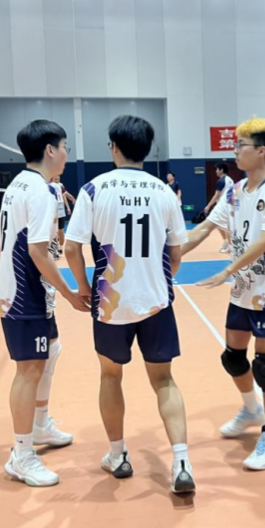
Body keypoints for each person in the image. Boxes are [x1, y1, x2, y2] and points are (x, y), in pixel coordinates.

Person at [64, 115, 195, 495]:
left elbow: (71, 248)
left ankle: (118, 455)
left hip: (110, 302)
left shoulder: (93, 189)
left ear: (114, 147)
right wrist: (159, 280)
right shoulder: (164, 191)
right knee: (164, 380)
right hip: (155, 301)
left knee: (110, 376)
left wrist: (84, 287)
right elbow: (177, 252)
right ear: (147, 149)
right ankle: (181, 462)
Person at [182, 118, 265, 472]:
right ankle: (250, 408)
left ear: (261, 151)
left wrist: (227, 271)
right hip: (242, 290)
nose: (234, 151)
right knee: (232, 358)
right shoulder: (234, 191)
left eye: (240, 145)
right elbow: (204, 228)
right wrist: (169, 255)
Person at [0, 119, 87, 488]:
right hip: (23, 293)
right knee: (29, 370)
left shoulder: (19, 184)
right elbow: (37, 250)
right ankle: (21, 455)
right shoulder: (40, 191)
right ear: (50, 149)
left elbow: (4, 234)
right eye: (64, 146)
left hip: (26, 288)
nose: (66, 153)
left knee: (51, 349)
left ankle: (41, 424)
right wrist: (70, 292)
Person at [204, 163, 234, 254]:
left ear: (221, 170)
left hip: (223, 206)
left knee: (226, 227)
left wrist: (208, 206)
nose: (216, 171)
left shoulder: (221, 181)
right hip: (230, 206)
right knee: (221, 225)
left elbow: (216, 195)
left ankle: (229, 246)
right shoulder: (230, 180)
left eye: (217, 169)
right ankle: (227, 242)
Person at [49, 176, 70, 246]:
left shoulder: (61, 185)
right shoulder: (50, 186)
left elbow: (64, 196)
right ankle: (53, 246)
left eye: (58, 176)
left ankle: (60, 247)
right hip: (53, 211)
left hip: (61, 211)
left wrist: (68, 207)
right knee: (53, 229)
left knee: (61, 229)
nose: (57, 177)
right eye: (55, 176)